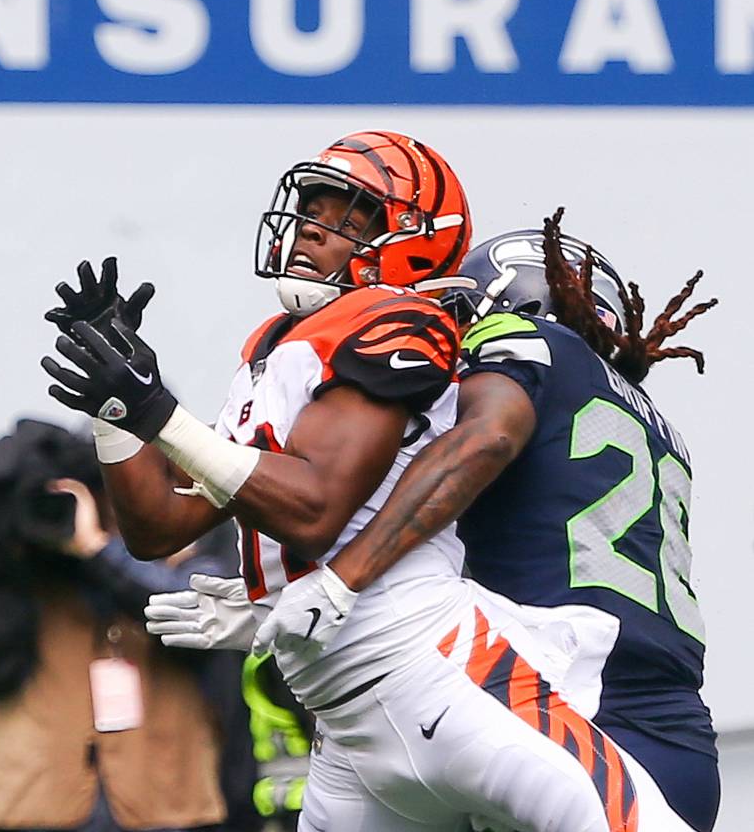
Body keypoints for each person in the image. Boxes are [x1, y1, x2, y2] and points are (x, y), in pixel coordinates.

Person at [42, 133, 692, 831]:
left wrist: (157, 411)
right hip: (350, 719)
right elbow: (160, 527)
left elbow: (324, 505)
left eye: (347, 217)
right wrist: (116, 410)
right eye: (311, 211)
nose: (311, 231)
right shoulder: (277, 347)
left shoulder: (403, 321)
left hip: (453, 671)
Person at [255, 208, 720, 832]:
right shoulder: (651, 419)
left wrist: (345, 578)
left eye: (464, 314)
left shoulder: (529, 347)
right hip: (677, 730)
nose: (453, 333)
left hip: (565, 706)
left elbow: (484, 441)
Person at [0, 418, 259, 832]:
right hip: (36, 799)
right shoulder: (18, 551)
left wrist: (96, 549)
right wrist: (17, 543)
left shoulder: (193, 535)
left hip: (165, 799)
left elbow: (197, 612)